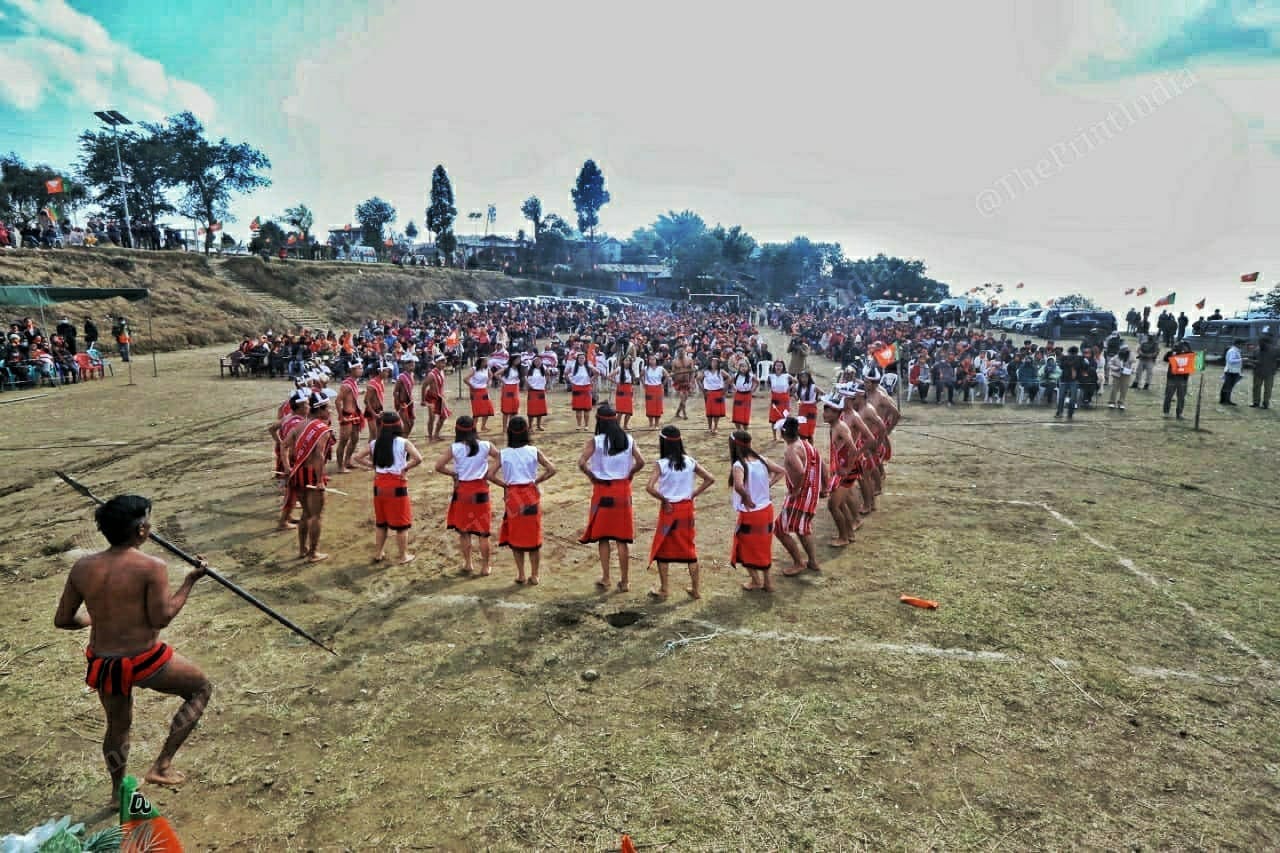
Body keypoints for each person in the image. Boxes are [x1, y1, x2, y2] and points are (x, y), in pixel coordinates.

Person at [55, 495, 213, 801]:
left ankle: (117, 793)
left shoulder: (82, 567)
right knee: (200, 689)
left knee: (117, 726)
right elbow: (162, 617)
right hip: (146, 660)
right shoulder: (152, 566)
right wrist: (190, 582)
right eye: (148, 521)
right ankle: (162, 766)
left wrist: (93, 617)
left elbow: (63, 619)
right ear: (141, 530)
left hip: (104, 663)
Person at [577, 405, 646, 592]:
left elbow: (581, 463)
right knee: (622, 539)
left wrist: (592, 476)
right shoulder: (628, 439)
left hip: (603, 490)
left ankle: (606, 577)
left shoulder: (596, 441)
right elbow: (641, 462)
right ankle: (625, 581)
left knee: (603, 537)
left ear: (599, 421)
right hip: (622, 491)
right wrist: (630, 473)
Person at [644, 425, 714, 599]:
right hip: (686, 509)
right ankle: (696, 590)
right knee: (689, 548)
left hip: (669, 510)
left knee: (662, 549)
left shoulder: (661, 464)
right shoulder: (690, 461)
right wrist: (693, 494)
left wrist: (664, 499)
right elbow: (710, 478)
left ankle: (664, 589)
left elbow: (649, 488)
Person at [490, 416, 556, 585]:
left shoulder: (504, 454)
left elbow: (489, 475)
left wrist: (505, 485)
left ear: (509, 432)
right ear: (526, 431)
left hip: (513, 497)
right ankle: (534, 575)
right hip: (530, 495)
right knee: (534, 538)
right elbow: (552, 469)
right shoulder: (533, 451)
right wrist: (537, 481)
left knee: (516, 537)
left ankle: (520, 574)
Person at [352, 411, 424, 564]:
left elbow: (357, 457)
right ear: (398, 425)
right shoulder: (403, 442)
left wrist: (373, 466)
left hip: (379, 485)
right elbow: (418, 458)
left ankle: (378, 553)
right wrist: (404, 468)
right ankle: (403, 555)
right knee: (401, 525)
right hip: (397, 485)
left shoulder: (375, 443)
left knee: (381, 523)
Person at [435, 415, 499, 575]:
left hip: (463, 492)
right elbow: (501, 457)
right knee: (483, 533)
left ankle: (468, 564)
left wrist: (454, 474)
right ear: (474, 428)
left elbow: (439, 466)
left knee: (464, 532)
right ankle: (485, 567)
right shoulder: (485, 445)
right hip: (480, 491)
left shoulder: (455, 448)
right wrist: (489, 472)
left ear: (457, 430)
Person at [728, 430, 785, 592]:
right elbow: (781, 471)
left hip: (751, 513)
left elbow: (738, 485)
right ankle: (767, 582)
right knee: (764, 546)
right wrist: (768, 485)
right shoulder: (762, 459)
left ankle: (755, 580)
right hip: (766, 511)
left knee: (743, 546)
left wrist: (746, 497)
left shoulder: (739, 465)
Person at [283, 392, 336, 562]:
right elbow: (320, 456)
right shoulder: (322, 429)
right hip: (313, 476)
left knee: (306, 513)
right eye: (328, 407)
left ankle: (302, 549)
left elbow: (283, 446)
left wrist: (287, 468)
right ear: (320, 409)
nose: (330, 411)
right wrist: (320, 480)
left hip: (297, 474)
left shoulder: (299, 426)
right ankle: (313, 553)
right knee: (316, 516)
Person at [775, 417, 826, 577]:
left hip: (801, 496)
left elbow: (801, 471)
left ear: (783, 433)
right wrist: (825, 486)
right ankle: (812, 561)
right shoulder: (806, 444)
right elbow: (821, 463)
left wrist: (797, 489)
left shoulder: (791, 450)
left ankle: (798, 563)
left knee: (779, 529)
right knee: (802, 529)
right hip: (811, 493)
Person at [272, 390, 311, 529]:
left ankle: (287, 517)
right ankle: (283, 522)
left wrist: (279, 441)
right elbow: (285, 446)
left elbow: (272, 429)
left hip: (290, 460)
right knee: (292, 493)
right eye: (306, 404)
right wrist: (288, 466)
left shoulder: (288, 417)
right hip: (292, 462)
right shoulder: (296, 423)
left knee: (293, 492)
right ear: (300, 407)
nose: (309, 406)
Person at [335, 360, 365, 472]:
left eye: (361, 368)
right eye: (359, 368)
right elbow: (338, 401)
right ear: (352, 370)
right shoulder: (347, 385)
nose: (361, 370)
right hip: (347, 414)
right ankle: (340, 466)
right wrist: (341, 416)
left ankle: (347, 461)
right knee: (343, 441)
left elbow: (351, 396)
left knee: (355, 439)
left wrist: (360, 391)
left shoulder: (354, 383)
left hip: (355, 414)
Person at [421, 354, 451, 442]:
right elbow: (424, 386)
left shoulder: (441, 372)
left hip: (439, 397)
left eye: (444, 362)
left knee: (443, 416)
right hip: (431, 398)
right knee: (432, 418)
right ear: (436, 362)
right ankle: (430, 437)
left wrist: (443, 396)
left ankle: (436, 434)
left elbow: (440, 386)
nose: (444, 364)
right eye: (441, 362)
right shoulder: (431, 374)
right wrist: (423, 400)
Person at [700, 355, 730, 435]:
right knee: (709, 412)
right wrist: (703, 390)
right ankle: (709, 428)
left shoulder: (721, 371)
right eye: (712, 362)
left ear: (718, 363)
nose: (714, 363)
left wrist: (725, 389)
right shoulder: (705, 371)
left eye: (716, 362)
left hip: (718, 392)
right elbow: (698, 379)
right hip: (709, 393)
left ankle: (715, 427)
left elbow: (728, 378)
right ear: (710, 363)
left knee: (716, 412)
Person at [1162, 341, 1193, 420]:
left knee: (1181, 397)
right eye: (1182, 346)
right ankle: (1166, 412)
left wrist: (1187, 352)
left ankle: (1179, 413)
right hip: (1172, 378)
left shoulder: (1189, 355)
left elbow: (1195, 359)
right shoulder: (1173, 353)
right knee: (1168, 396)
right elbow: (1165, 358)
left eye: (1186, 347)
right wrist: (1173, 352)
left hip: (1183, 379)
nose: (1183, 348)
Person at [765, 360, 795, 441]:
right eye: (777, 365)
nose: (778, 367)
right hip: (775, 398)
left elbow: (796, 381)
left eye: (780, 366)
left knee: (783, 418)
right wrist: (770, 389)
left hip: (784, 398)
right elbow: (767, 384)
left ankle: (782, 436)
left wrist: (789, 388)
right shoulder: (771, 376)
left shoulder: (786, 375)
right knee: (773, 419)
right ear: (774, 366)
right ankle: (774, 436)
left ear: (783, 367)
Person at [567, 351, 595, 430]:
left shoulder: (588, 366)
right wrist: (571, 381)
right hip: (577, 388)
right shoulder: (573, 366)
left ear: (585, 359)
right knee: (578, 409)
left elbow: (597, 372)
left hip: (586, 388)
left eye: (583, 358)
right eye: (580, 358)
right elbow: (565, 373)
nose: (581, 359)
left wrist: (591, 380)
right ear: (577, 359)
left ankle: (586, 425)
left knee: (586, 409)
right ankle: (579, 425)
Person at [466, 357, 495, 432]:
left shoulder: (487, 368)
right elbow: (465, 379)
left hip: (484, 391)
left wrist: (488, 382)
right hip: (475, 392)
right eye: (485, 361)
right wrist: (472, 386)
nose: (486, 363)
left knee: (488, 409)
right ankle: (473, 428)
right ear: (480, 362)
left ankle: (483, 426)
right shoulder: (474, 369)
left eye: (486, 361)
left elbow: (491, 375)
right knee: (477, 411)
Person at [364, 361, 391, 442]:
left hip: (379, 410)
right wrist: (374, 414)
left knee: (378, 435)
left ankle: (374, 453)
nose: (388, 373)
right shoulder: (372, 384)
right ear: (380, 371)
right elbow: (366, 401)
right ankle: (371, 454)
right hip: (372, 411)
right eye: (386, 371)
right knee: (374, 435)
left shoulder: (381, 382)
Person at [1055, 346, 1083, 419]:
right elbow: (1083, 366)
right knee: (1072, 398)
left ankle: (1059, 413)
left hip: (1064, 379)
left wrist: (1069, 363)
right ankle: (1070, 414)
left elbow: (1061, 366)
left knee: (1061, 397)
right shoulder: (1079, 358)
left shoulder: (1065, 358)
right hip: (1073, 380)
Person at [642, 353, 668, 429]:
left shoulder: (661, 368)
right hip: (649, 389)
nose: (652, 361)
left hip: (658, 388)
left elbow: (667, 376)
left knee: (658, 406)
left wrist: (663, 384)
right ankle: (650, 424)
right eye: (650, 359)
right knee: (650, 407)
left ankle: (656, 424)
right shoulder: (645, 368)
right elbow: (641, 376)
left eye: (653, 359)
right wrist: (644, 384)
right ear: (648, 360)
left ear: (656, 360)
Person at [609, 357, 636, 430]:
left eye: (629, 361)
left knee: (629, 411)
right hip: (621, 389)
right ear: (623, 361)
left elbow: (633, 381)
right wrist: (616, 383)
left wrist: (632, 389)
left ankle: (625, 425)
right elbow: (609, 376)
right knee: (620, 411)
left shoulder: (631, 370)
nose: (627, 362)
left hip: (628, 390)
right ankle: (617, 426)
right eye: (626, 360)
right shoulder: (619, 369)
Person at [670, 344, 696, 420]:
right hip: (679, 382)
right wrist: (674, 378)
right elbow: (673, 372)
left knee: (685, 398)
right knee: (682, 397)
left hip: (687, 382)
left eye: (682, 352)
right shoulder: (674, 361)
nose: (681, 354)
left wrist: (691, 381)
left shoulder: (689, 360)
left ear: (684, 352)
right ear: (677, 353)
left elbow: (692, 372)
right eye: (679, 353)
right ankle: (684, 414)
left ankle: (677, 413)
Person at [525, 355, 550, 431]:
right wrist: (528, 385)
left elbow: (548, 376)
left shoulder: (544, 369)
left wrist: (546, 383)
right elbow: (525, 377)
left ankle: (539, 425)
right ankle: (530, 426)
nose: (538, 362)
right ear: (533, 362)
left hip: (541, 391)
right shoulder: (530, 369)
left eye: (539, 361)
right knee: (531, 410)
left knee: (540, 410)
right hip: (532, 391)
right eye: (536, 361)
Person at [394, 353, 417, 437]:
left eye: (413, 362)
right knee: (407, 424)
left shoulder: (412, 375)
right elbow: (395, 392)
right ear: (404, 365)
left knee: (411, 423)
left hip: (410, 402)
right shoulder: (401, 377)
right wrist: (398, 405)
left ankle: (404, 439)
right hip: (402, 403)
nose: (411, 364)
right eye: (409, 362)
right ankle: (401, 441)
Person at [730, 361, 757, 430]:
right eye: (742, 366)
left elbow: (757, 382)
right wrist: (734, 387)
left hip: (747, 396)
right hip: (738, 395)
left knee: (745, 413)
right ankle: (738, 430)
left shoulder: (751, 376)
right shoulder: (736, 375)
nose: (743, 368)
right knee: (737, 413)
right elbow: (731, 381)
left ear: (748, 368)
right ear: (739, 368)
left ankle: (745, 430)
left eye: (745, 366)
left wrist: (752, 390)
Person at [498, 358, 523, 432]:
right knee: (506, 409)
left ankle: (511, 426)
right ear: (512, 360)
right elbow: (496, 374)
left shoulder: (518, 369)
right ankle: (504, 428)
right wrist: (503, 382)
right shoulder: (506, 368)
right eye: (516, 360)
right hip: (508, 388)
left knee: (514, 409)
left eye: (519, 360)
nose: (518, 361)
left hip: (515, 388)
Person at [1252, 337, 1277, 409]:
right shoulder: (1256, 350)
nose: (1260, 344)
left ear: (1267, 343)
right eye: (1259, 343)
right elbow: (1254, 358)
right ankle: (1256, 402)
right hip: (1258, 372)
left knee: (1268, 389)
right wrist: (1253, 364)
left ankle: (1265, 403)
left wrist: (1275, 368)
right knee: (1256, 388)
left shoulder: (1275, 350)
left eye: (1261, 343)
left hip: (1269, 372)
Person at [1107, 345, 1134, 410]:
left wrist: (1131, 369)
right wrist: (1117, 368)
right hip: (1117, 375)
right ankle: (1112, 402)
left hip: (1126, 375)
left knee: (1124, 390)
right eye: (1124, 350)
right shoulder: (1116, 357)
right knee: (1114, 389)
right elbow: (1110, 364)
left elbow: (1133, 363)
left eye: (1126, 350)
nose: (1125, 351)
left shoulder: (1130, 356)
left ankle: (1121, 403)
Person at [1220, 338, 1244, 405]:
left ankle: (1227, 400)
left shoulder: (1236, 351)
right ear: (1237, 344)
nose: (1243, 346)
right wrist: (1241, 359)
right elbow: (1231, 361)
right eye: (1242, 344)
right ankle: (1224, 400)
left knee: (1229, 387)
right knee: (1227, 386)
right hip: (1231, 371)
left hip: (1234, 371)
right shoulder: (1233, 351)